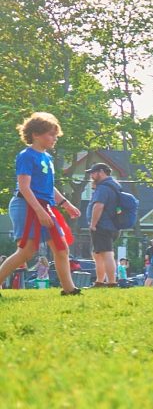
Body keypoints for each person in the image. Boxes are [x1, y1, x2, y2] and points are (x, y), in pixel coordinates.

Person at [0, 112, 81, 296]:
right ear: (36, 134)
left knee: (61, 248)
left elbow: (48, 186)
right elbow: (24, 187)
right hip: (26, 206)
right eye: (51, 134)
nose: (54, 138)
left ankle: (69, 290)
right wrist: (39, 212)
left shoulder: (47, 158)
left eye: (55, 135)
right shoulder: (26, 156)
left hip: (45, 207)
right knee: (27, 251)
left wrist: (65, 204)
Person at [86, 163, 121, 287]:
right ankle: (99, 281)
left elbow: (98, 206)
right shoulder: (115, 185)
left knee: (107, 253)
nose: (91, 175)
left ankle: (111, 282)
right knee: (97, 254)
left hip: (102, 225)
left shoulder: (104, 187)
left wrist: (93, 224)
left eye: (93, 172)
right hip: (113, 225)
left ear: (101, 172)